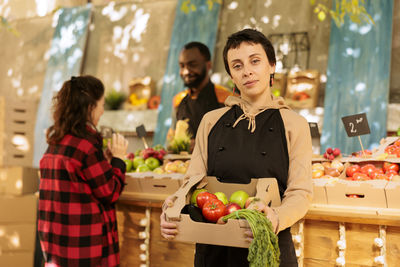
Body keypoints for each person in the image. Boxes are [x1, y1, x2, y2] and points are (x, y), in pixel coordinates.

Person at [160, 29, 313, 267]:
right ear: (231, 74)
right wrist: (173, 205)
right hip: (213, 246)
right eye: (237, 65)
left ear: (271, 65)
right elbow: (192, 182)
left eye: (255, 61)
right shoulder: (211, 121)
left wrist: (275, 217)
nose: (247, 71)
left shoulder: (294, 124)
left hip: (267, 245)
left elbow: (300, 193)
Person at [38, 75, 129, 267]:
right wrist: (119, 160)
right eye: (101, 104)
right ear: (90, 107)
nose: (102, 111)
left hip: (57, 250)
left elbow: (79, 184)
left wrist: (104, 160)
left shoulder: (54, 143)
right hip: (85, 251)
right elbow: (110, 191)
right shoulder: (86, 145)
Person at [169, 41, 233, 142]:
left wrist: (199, 146)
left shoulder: (227, 98)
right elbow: (172, 137)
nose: (186, 71)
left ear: (208, 65)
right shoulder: (178, 100)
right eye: (182, 66)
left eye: (192, 65)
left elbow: (234, 139)